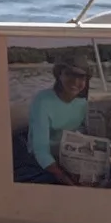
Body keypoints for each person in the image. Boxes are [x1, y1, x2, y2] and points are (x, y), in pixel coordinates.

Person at [26, 56, 90, 184]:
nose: (75, 81)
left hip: (70, 155)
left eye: (81, 77)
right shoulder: (42, 101)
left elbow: (89, 133)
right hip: (40, 160)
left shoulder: (83, 102)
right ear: (59, 75)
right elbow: (41, 150)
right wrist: (62, 177)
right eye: (69, 74)